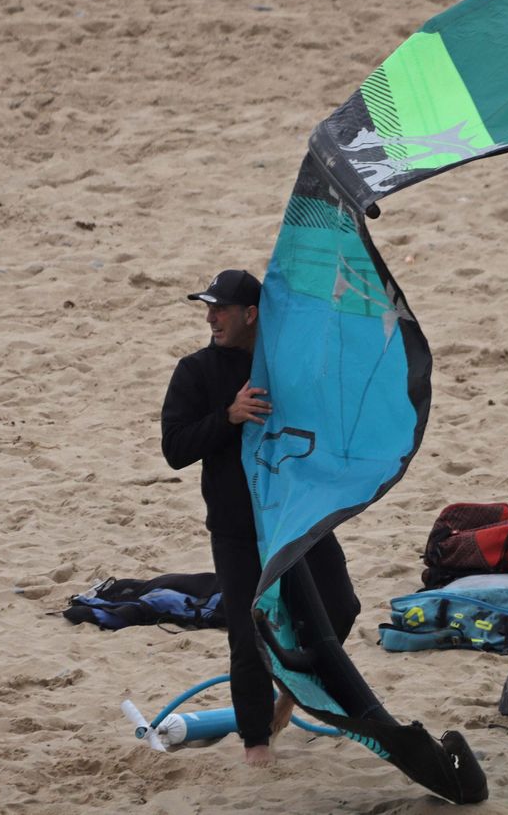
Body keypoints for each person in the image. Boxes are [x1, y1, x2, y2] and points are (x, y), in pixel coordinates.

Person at [160, 268, 360, 767]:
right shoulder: (196, 371)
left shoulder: (286, 368)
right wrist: (227, 417)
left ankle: (288, 695)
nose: (211, 318)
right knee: (247, 634)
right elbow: (175, 449)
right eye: (208, 309)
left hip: (297, 517)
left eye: (220, 309)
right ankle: (256, 744)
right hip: (236, 524)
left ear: (251, 314)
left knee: (341, 607)